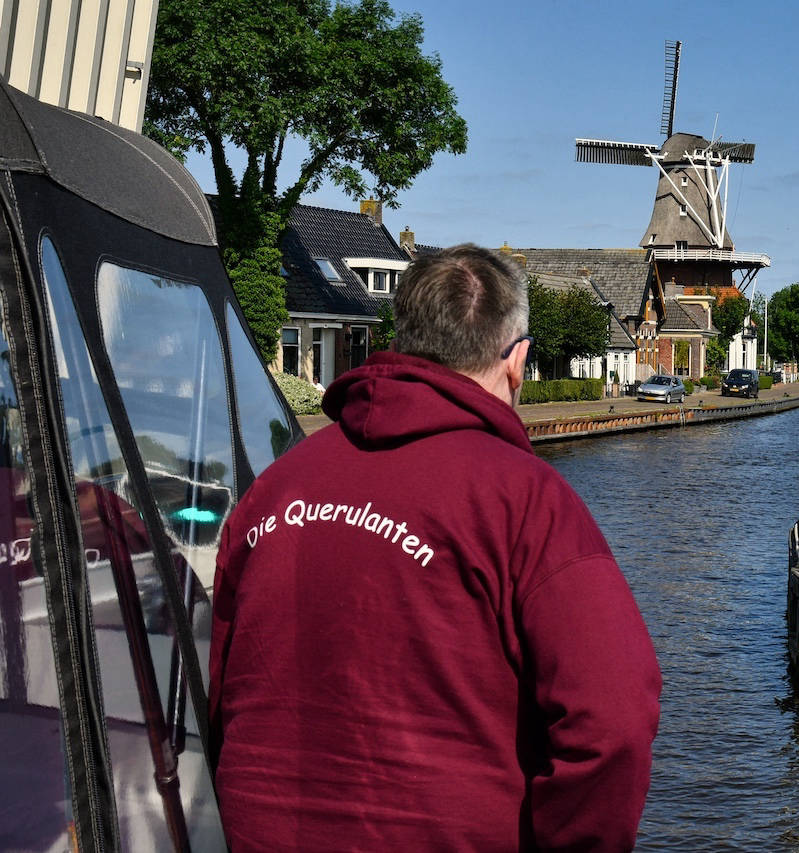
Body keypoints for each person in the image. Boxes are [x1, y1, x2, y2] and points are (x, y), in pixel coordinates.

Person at [209, 244, 662, 850]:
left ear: (403, 341)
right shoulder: (527, 500)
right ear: (518, 360)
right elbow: (614, 718)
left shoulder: (274, 489)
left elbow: (223, 682)